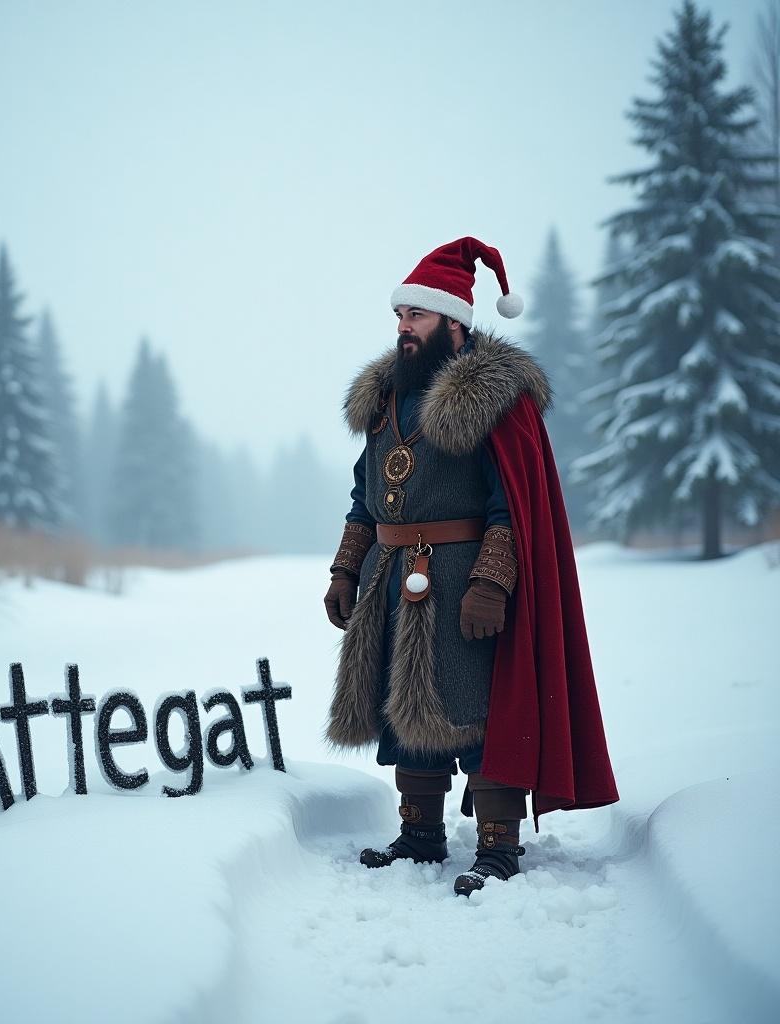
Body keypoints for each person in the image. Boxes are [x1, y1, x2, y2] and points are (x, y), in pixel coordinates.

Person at [324, 236, 619, 896]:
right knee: (406, 708)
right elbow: (363, 497)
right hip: (393, 580)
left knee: (479, 709)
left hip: (463, 584)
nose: (403, 329)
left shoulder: (495, 400)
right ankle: (419, 833)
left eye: (416, 317)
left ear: (454, 321)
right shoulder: (384, 404)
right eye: (399, 317)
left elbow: (511, 506)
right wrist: (346, 571)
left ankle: (497, 846)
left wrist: (490, 583)